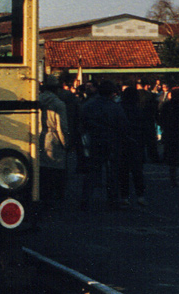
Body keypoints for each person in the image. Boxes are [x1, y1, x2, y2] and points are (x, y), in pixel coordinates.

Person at [78, 80, 128, 210]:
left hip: (94, 140)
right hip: (112, 141)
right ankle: (113, 200)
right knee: (112, 173)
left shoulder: (88, 105)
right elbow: (123, 125)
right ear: (111, 93)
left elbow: (82, 122)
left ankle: (85, 199)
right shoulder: (115, 107)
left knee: (92, 172)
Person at [39, 75, 69, 203]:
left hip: (39, 137)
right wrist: (65, 143)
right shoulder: (58, 104)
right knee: (55, 170)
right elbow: (61, 127)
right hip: (53, 138)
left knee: (42, 171)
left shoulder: (36, 101)